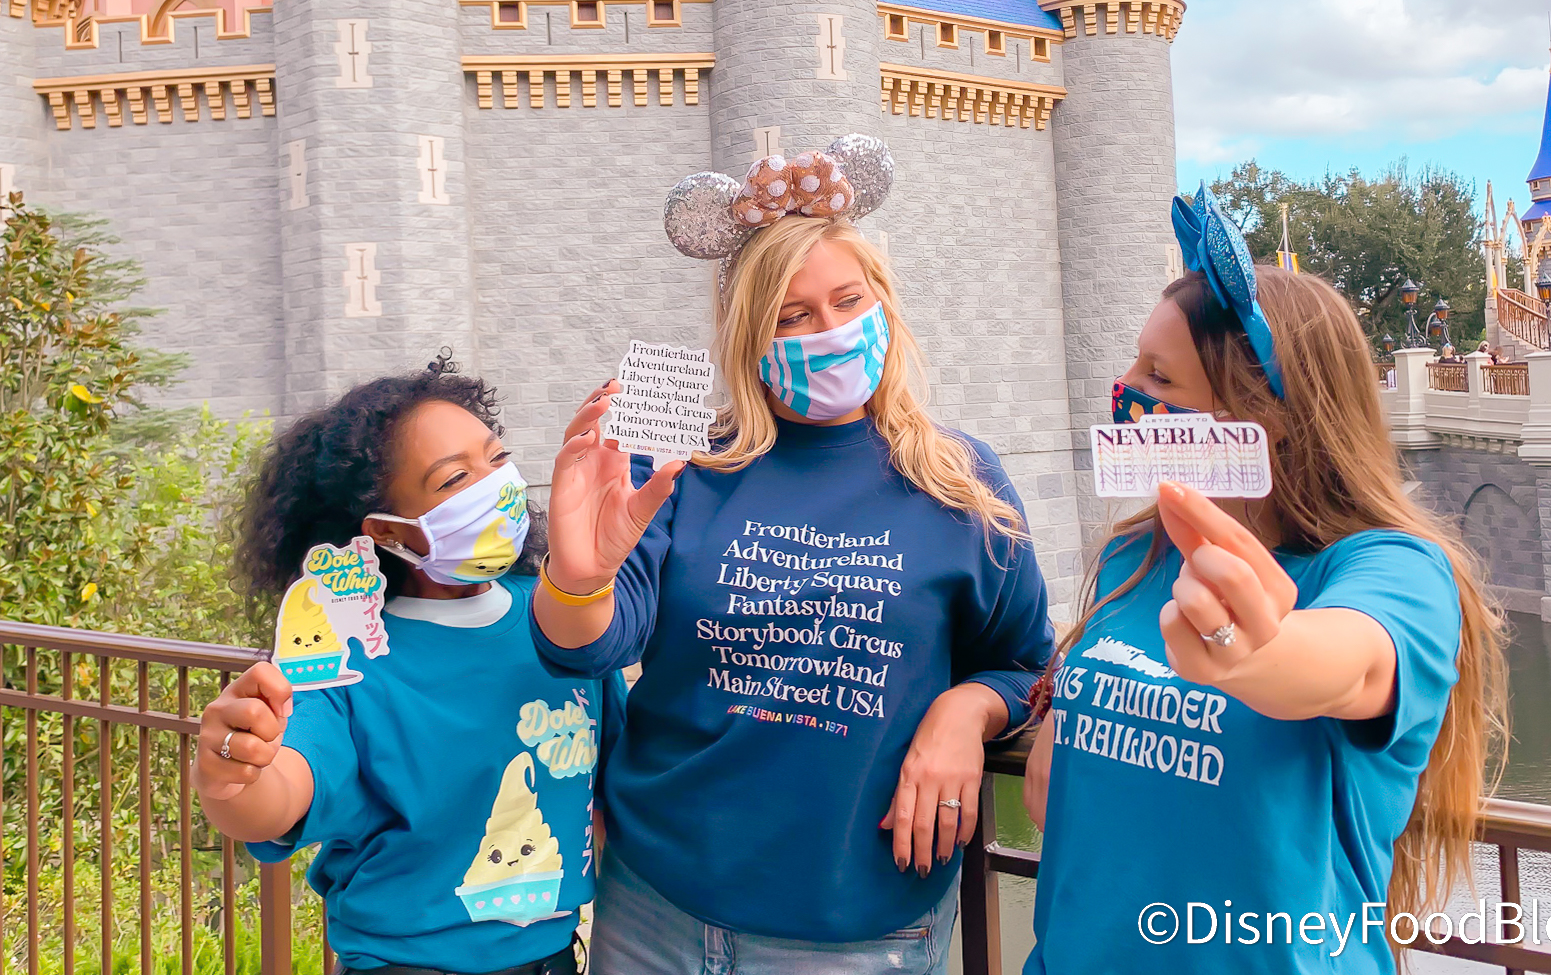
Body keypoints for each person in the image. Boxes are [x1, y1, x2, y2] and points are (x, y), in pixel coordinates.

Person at [533, 143, 1054, 973]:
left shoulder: (961, 479)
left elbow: (1025, 665)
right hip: (655, 908)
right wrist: (578, 576)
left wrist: (967, 712)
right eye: (791, 316)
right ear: (748, 336)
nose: (830, 331)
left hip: (859, 930)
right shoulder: (683, 467)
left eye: (848, 301)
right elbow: (584, 647)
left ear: (884, 306)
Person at [1022, 188, 1507, 975]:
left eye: (1158, 376)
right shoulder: (1134, 554)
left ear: (1260, 417)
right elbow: (1061, 792)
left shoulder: (1394, 569)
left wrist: (1261, 652)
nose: (1126, 389)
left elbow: (1346, 664)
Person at [191, 356, 624, 975]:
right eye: (454, 479)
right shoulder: (347, 656)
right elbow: (281, 793)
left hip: (554, 960)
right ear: (389, 533)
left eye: (497, 459)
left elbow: (615, 790)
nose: (496, 486)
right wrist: (231, 776)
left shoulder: (565, 621)